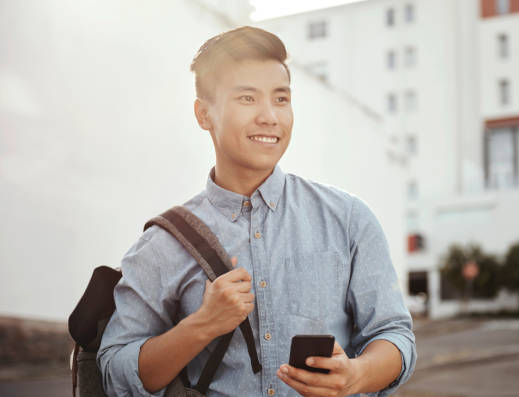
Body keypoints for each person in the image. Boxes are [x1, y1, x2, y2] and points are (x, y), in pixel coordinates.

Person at [97, 26, 416, 397]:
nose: (269, 117)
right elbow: (114, 373)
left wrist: (357, 374)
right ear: (204, 115)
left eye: (281, 99)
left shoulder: (347, 219)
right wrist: (201, 325)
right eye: (247, 99)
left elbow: (395, 335)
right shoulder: (162, 245)